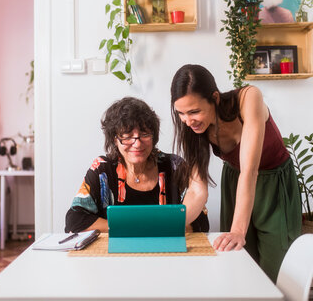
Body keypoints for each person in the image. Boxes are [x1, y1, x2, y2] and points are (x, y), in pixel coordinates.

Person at [170, 64, 301, 282]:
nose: (187, 120)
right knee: (239, 263)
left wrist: (238, 230)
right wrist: (172, 226)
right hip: (235, 181)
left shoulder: (249, 98)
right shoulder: (192, 128)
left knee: (275, 270)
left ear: (215, 98)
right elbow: (197, 191)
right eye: (181, 113)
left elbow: (250, 171)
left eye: (194, 111)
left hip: (273, 182)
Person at [65, 96, 209, 233]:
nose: (137, 143)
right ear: (115, 139)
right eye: (127, 136)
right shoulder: (102, 170)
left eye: (145, 134)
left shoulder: (174, 166)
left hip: (166, 253)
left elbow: (201, 222)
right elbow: (74, 221)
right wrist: (135, 228)